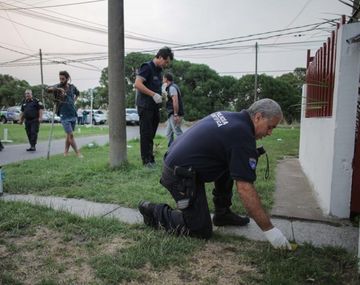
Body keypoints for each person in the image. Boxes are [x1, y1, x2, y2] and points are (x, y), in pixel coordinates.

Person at [138, 98, 292, 250]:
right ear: (258, 117)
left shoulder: (229, 116)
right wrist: (271, 231)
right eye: (270, 127)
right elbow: (245, 188)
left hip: (180, 163)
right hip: (179, 174)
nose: (270, 133)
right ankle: (153, 211)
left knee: (232, 163)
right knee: (199, 229)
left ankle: (222, 214)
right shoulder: (242, 135)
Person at [134, 46, 174, 167]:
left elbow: (156, 85)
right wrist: (152, 94)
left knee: (151, 134)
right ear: (160, 57)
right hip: (145, 106)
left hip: (154, 106)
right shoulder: (147, 67)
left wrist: (162, 93)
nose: (166, 64)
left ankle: (151, 158)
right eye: (166, 61)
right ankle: (146, 161)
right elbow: (137, 84)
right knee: (146, 133)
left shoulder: (159, 70)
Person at [46, 71, 83, 158]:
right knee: (71, 135)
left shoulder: (72, 87)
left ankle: (65, 152)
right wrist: (58, 89)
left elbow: (78, 93)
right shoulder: (58, 86)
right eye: (60, 78)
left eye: (63, 79)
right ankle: (78, 153)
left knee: (68, 135)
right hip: (63, 114)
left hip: (72, 113)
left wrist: (74, 101)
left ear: (67, 78)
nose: (61, 80)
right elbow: (47, 89)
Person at [162, 72, 184, 147]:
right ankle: (171, 150)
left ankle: (183, 149)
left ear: (166, 79)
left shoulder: (172, 88)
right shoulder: (171, 87)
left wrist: (175, 114)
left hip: (174, 114)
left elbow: (175, 101)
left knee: (177, 132)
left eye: (163, 78)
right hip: (171, 114)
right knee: (168, 133)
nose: (162, 80)